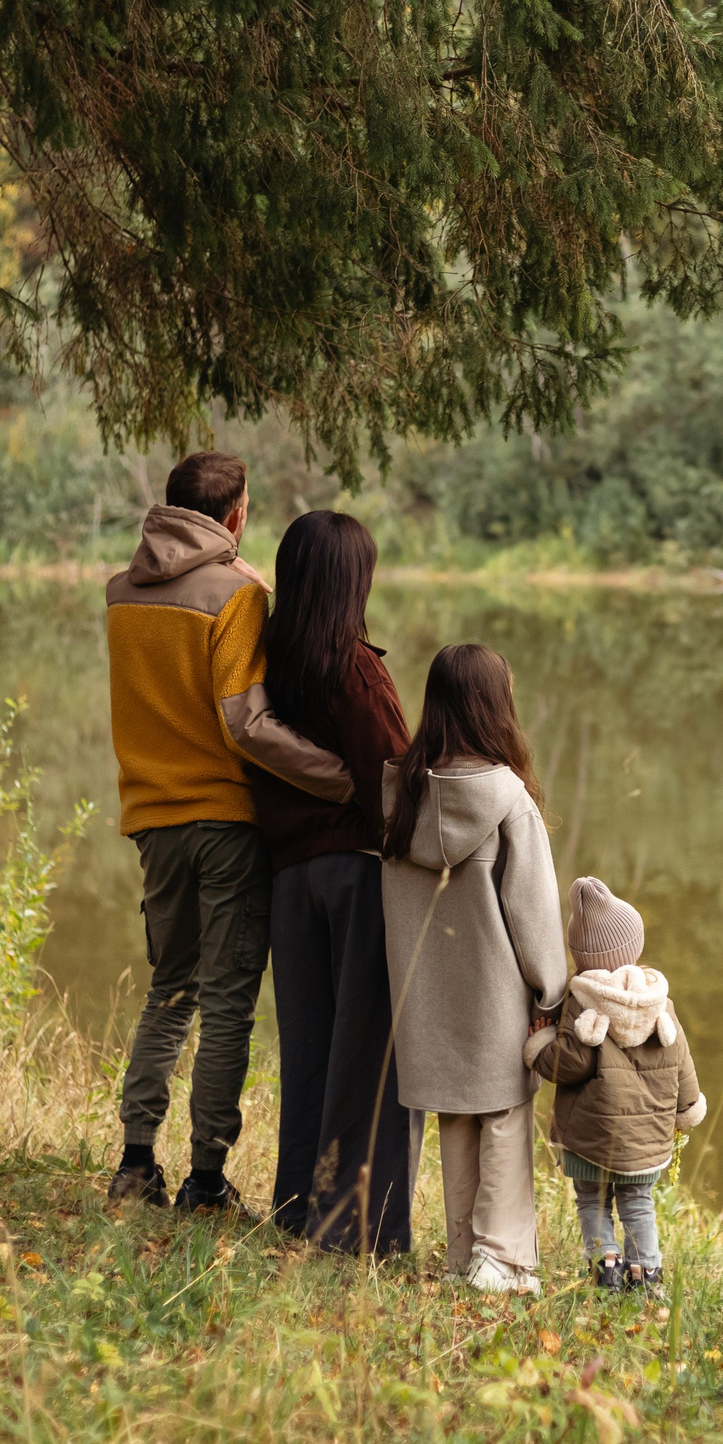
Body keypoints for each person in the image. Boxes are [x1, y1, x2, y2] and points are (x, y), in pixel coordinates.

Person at [104, 451, 353, 1214]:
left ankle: (136, 1163)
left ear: (172, 506)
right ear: (236, 515)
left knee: (169, 992)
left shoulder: (120, 593)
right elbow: (246, 723)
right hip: (225, 823)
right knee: (227, 1003)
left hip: (153, 819)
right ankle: (206, 1179)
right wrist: (338, 775)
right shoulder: (238, 595)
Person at [379, 644, 569, 1294]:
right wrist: (551, 989)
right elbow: (534, 909)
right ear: (496, 708)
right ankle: (504, 1257)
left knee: (457, 1120)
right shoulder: (509, 800)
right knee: (506, 1118)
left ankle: (465, 1253)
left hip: (426, 1000)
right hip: (496, 997)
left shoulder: (401, 795)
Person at [250, 510, 412, 1254]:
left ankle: (298, 1206)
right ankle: (356, 1227)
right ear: (355, 582)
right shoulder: (352, 665)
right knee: (367, 1056)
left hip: (288, 879)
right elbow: (393, 777)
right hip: (354, 876)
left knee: (310, 1049)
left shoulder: (264, 657)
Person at [526, 877, 706, 1291]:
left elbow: (570, 1062)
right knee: (638, 1204)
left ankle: (606, 1266)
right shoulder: (661, 1001)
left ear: (581, 956)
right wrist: (687, 1108)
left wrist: (538, 1047)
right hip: (646, 1141)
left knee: (592, 1200)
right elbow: (681, 1061)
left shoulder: (581, 1000)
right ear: (634, 946)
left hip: (592, 1135)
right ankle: (646, 1274)